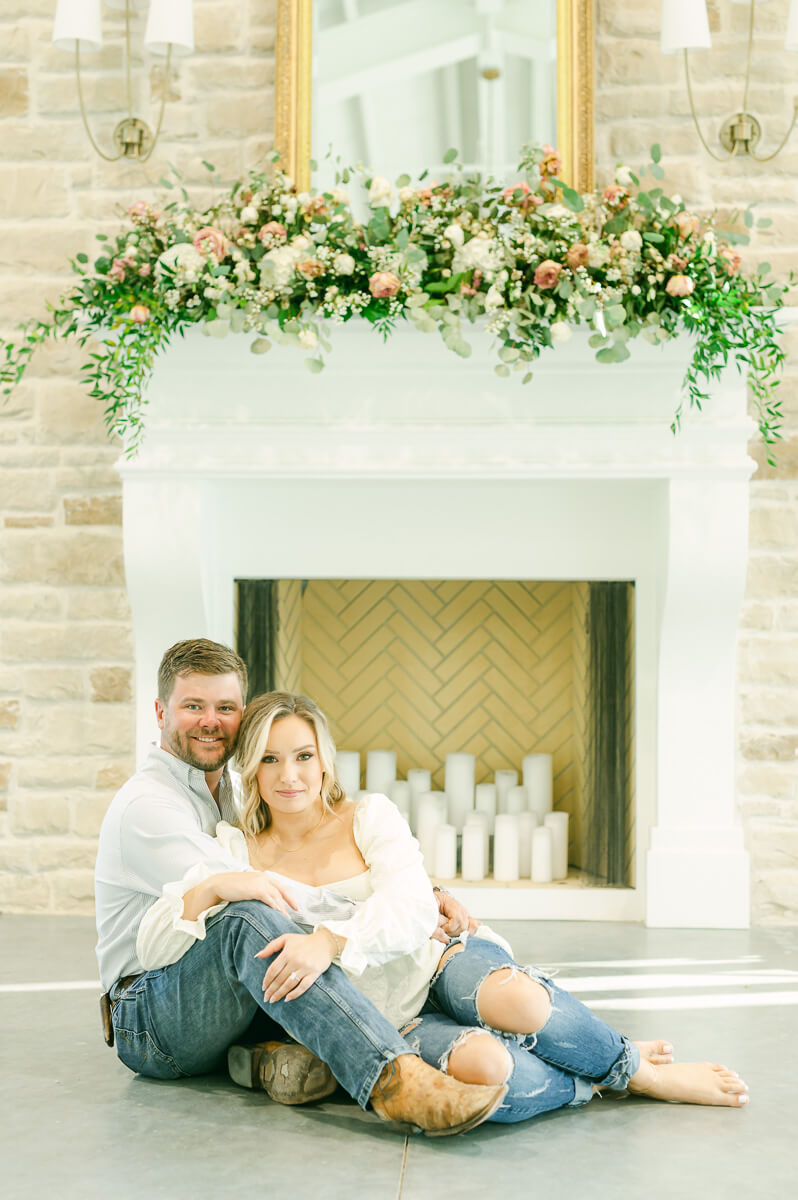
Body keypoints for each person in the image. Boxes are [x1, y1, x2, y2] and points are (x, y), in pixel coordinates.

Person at [137, 689, 751, 1124]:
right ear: (251, 767)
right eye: (269, 758)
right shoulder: (234, 846)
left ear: (325, 761)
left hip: (431, 960)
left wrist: (329, 940)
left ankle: (638, 1071)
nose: (288, 774)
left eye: (302, 755)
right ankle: (581, 1085)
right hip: (385, 1017)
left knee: (519, 1000)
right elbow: (154, 946)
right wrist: (212, 890)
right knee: (486, 1068)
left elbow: (409, 906)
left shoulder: (367, 815)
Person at [94, 638, 509, 1137]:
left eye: (225, 707)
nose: (211, 720)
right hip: (151, 1013)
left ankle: (271, 1056)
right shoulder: (149, 807)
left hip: (219, 990)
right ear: (160, 711)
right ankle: (393, 1078)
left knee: (294, 944)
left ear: (242, 714)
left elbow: (292, 869)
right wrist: (400, 900)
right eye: (192, 706)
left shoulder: (227, 785)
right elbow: (266, 892)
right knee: (247, 919)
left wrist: (413, 890)